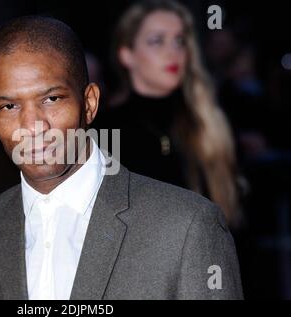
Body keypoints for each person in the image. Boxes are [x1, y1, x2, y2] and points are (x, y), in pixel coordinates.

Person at [0, 15, 243, 300]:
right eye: (9, 106)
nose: (32, 126)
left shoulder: (187, 227)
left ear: (89, 103)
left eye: (51, 99)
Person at [95, 0, 242, 228]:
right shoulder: (103, 130)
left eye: (179, 41)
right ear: (127, 55)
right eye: (157, 41)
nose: (172, 52)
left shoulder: (209, 121)